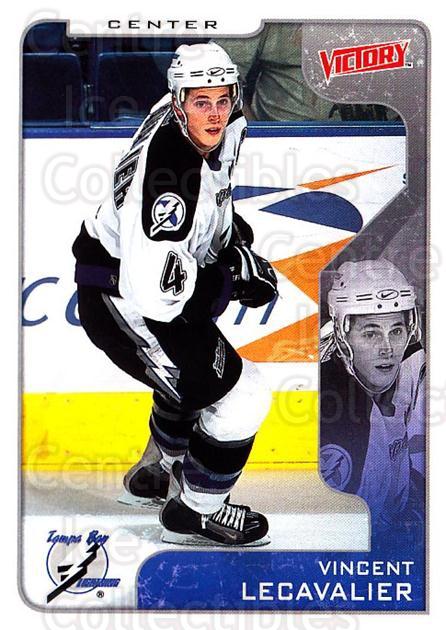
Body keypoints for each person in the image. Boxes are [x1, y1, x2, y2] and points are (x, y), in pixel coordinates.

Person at [72, 42, 278, 546]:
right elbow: (155, 296)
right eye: (202, 102)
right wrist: (231, 277)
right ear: (179, 101)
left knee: (195, 375)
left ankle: (154, 475)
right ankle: (195, 511)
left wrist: (231, 242)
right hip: (123, 300)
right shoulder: (170, 174)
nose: (215, 113)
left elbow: (213, 193)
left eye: (223, 99)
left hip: (131, 278)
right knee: (242, 395)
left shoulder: (196, 119)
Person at [319, 260, 425, 532]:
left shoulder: (414, 363)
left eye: (396, 331)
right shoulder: (333, 407)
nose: (387, 348)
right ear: (342, 336)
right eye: (370, 334)